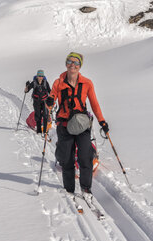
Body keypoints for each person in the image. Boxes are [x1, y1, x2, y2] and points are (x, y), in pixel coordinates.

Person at [46, 52, 109, 200]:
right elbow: (52, 99)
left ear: (80, 66)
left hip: (82, 125)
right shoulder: (58, 82)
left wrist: (102, 121)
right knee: (67, 159)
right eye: (69, 61)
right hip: (64, 125)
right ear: (66, 63)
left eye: (76, 62)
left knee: (85, 157)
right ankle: (69, 189)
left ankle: (86, 189)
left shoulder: (87, 83)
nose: (72, 65)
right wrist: (49, 103)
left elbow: (94, 104)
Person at [25, 70, 51, 134]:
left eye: (42, 76)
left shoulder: (45, 83)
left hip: (44, 101)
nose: (40, 77)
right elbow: (26, 91)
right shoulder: (34, 83)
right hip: (36, 101)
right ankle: (39, 131)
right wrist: (27, 87)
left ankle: (45, 132)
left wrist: (52, 98)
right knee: (38, 116)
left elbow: (50, 91)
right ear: (37, 76)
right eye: (39, 76)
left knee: (45, 115)